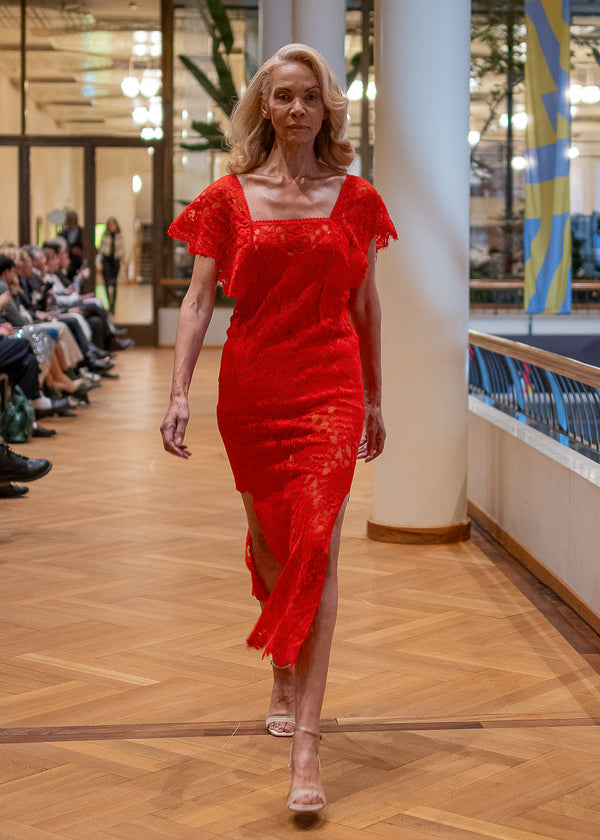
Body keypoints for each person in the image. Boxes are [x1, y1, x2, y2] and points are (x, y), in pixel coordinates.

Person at [160, 43, 396, 814]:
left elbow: (366, 303)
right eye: (285, 96)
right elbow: (199, 304)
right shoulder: (226, 198)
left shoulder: (355, 197)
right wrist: (178, 393)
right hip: (252, 390)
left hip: (330, 386)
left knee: (318, 546)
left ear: (330, 108)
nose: (298, 110)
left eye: (312, 97)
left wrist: (377, 395)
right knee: (272, 541)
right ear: (265, 105)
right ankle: (282, 665)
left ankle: (308, 747)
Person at [99, 217, 124, 314]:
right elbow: (101, 249)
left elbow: (122, 249)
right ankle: (109, 303)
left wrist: (120, 257)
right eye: (110, 225)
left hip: (115, 260)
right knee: (107, 283)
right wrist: (99, 262)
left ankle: (113, 305)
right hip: (106, 260)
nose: (112, 227)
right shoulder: (105, 235)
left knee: (114, 284)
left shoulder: (119, 236)